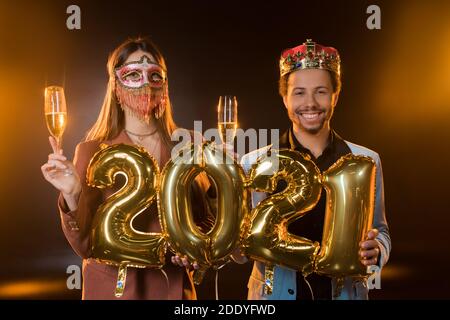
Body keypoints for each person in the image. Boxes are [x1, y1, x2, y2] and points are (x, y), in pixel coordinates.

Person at [41, 37, 214, 300]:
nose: (145, 84)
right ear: (115, 86)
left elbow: (206, 221)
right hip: (113, 291)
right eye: (133, 74)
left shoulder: (189, 146)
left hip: (172, 291)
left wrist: (194, 249)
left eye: (154, 75)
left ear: (165, 86)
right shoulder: (90, 152)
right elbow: (86, 246)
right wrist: (72, 195)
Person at [236, 39, 391, 300]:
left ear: (335, 95)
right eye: (299, 92)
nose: (310, 103)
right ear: (284, 97)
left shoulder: (366, 160)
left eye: (320, 91)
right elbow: (240, 252)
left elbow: (381, 230)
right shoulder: (253, 164)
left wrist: (378, 249)